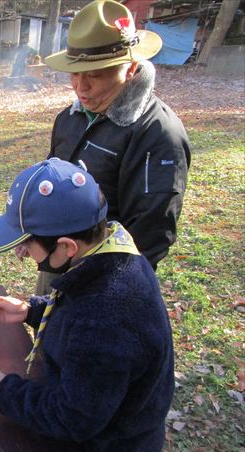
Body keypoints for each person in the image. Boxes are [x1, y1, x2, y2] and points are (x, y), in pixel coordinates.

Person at [0, 158, 174, 452]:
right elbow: (76, 310)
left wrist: (3, 386)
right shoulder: (108, 253)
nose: (21, 254)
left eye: (27, 244)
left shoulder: (106, 319)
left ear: (67, 246)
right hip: (97, 422)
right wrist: (31, 310)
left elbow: (72, 417)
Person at [33, 0, 190, 294]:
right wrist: (36, 233)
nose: (81, 87)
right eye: (75, 73)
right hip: (57, 262)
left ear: (130, 69)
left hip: (106, 281)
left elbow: (150, 232)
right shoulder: (69, 119)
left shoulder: (157, 134)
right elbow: (50, 182)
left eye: (94, 75)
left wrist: (105, 291)